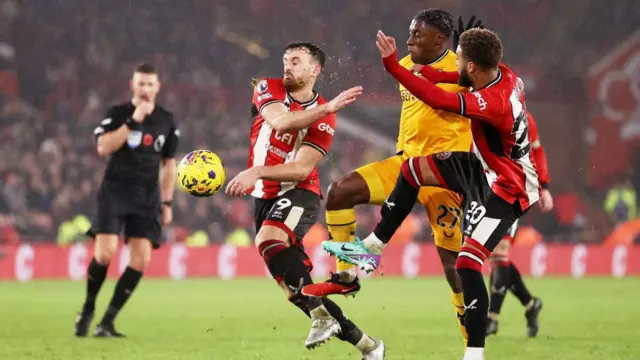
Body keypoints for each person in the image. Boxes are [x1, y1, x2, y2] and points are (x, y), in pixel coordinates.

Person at [323, 28, 553, 360]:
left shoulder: (492, 102)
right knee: (412, 169)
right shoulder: (503, 73)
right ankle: (372, 247)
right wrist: (431, 71)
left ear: (472, 65)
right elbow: (454, 79)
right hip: (482, 164)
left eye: (459, 57)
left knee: (468, 262)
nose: (455, 61)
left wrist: (394, 67)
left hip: (508, 186)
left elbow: (440, 99)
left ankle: (474, 354)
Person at [302, 10, 482, 344]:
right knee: (339, 191)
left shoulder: (461, 71)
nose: (410, 38)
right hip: (405, 165)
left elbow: (480, 82)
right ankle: (346, 274)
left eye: (418, 34)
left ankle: (472, 344)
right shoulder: (406, 66)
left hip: (444, 175)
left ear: (441, 39)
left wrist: (472, 56)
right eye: (411, 32)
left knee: (453, 268)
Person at [225, 42, 385, 359]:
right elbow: (281, 121)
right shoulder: (267, 87)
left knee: (269, 240)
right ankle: (367, 345)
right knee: (293, 291)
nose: (287, 65)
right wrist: (257, 172)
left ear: (315, 70)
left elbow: (300, 169)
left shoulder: (325, 118)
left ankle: (319, 312)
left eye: (296, 61)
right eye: (285, 60)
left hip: (300, 193)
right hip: (264, 198)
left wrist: (257, 170)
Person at [75, 63, 179, 337]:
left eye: (150, 84)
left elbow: (169, 164)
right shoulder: (118, 114)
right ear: (133, 85)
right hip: (115, 192)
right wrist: (134, 120)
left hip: (147, 198)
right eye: (140, 83)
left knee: (141, 260)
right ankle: (87, 309)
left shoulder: (166, 120)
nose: (145, 89)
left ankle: (107, 321)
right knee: (105, 253)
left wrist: (167, 203)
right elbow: (103, 147)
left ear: (158, 87)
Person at [486, 110, 552, 338]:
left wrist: (544, 186)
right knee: (493, 255)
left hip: (511, 190)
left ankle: (491, 318)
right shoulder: (479, 107)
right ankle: (530, 303)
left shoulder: (524, 117)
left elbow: (537, 150)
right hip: (483, 189)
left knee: (499, 253)